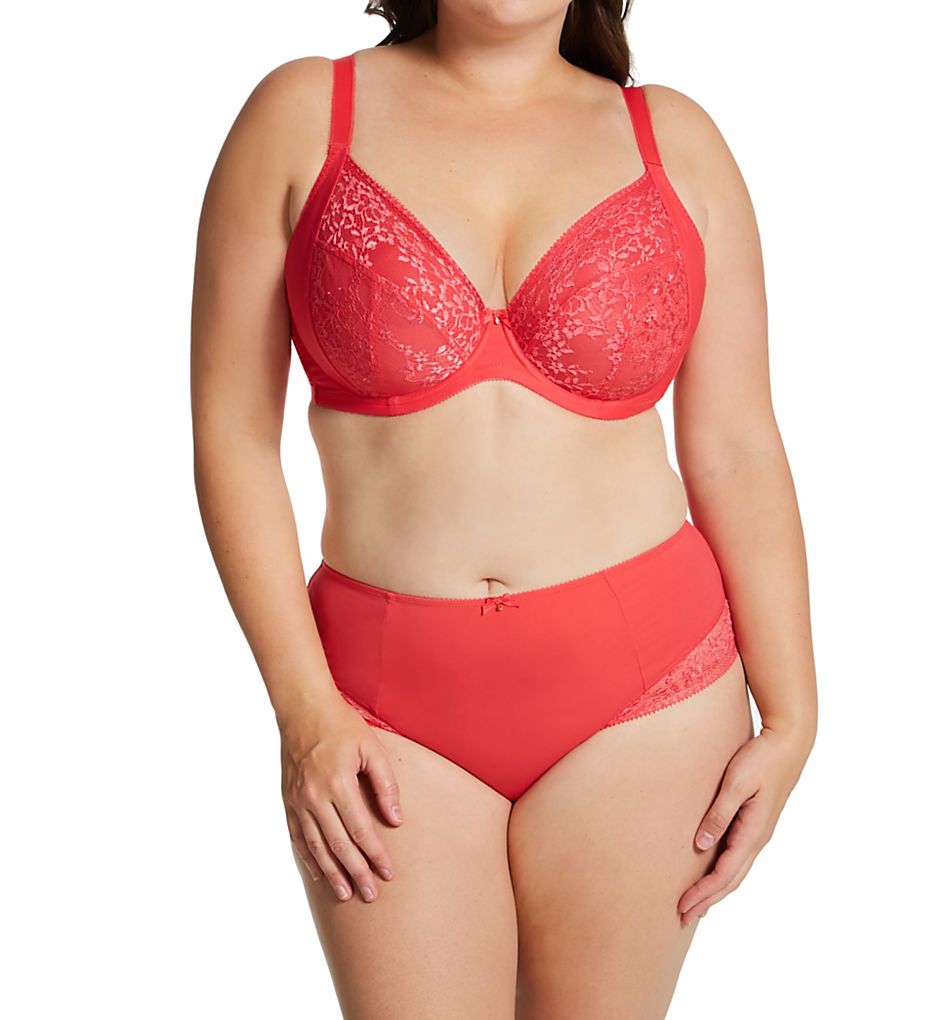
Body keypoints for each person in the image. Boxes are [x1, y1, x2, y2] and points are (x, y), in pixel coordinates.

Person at [191, 2, 818, 1015]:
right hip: (379, 710)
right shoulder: (303, 113)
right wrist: (304, 710)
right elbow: (231, 436)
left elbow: (736, 446)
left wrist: (792, 714)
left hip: (647, 695)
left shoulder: (674, 138)